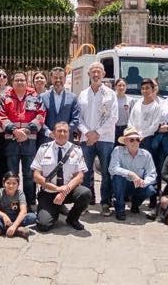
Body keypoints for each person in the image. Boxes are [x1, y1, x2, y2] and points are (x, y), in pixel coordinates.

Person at [0, 71, 47, 208]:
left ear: (27, 82)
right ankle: (12, 204)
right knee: (12, 174)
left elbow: (41, 115)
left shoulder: (35, 97)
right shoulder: (5, 97)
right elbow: (1, 116)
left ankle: (30, 203)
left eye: (22, 80)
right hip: (11, 141)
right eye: (17, 80)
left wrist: (26, 130)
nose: (19, 82)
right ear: (12, 83)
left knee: (29, 174)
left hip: (29, 141)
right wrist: (14, 130)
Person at [31, 122, 91, 232]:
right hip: (48, 192)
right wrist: (57, 189)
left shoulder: (76, 150)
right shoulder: (44, 148)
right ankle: (54, 210)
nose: (62, 133)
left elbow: (80, 176)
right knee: (43, 225)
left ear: (69, 133)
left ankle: (72, 219)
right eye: (59, 131)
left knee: (85, 193)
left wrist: (63, 192)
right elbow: (36, 176)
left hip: (68, 191)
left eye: (65, 131)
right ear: (53, 133)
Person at [76, 62, 117, 214]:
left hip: (105, 138)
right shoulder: (82, 94)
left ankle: (105, 202)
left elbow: (113, 117)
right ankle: (86, 201)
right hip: (86, 139)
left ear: (104, 74)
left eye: (98, 71)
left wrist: (97, 133)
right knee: (85, 171)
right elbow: (78, 117)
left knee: (106, 172)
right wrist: (87, 133)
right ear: (88, 75)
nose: (96, 74)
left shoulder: (110, 94)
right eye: (93, 71)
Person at [109, 127, 158, 221]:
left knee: (150, 189)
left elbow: (152, 174)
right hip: (122, 185)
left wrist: (144, 182)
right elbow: (112, 168)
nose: (135, 142)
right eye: (132, 140)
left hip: (137, 185)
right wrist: (131, 174)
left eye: (137, 139)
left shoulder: (146, 154)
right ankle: (120, 209)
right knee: (117, 178)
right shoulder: (118, 150)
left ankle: (135, 204)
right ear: (125, 142)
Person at [0, 171, 36, 239]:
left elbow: (23, 211)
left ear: (18, 185)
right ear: (3, 183)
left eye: (14, 183)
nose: (11, 186)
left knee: (32, 216)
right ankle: (18, 230)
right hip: (3, 219)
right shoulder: (0, 192)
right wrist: (4, 215)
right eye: (8, 183)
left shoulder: (20, 193)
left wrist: (14, 225)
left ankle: (3, 229)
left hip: (17, 218)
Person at [41, 66, 79, 146]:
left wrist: (63, 132)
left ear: (65, 79)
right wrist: (49, 133)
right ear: (51, 79)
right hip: (48, 139)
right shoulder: (43, 97)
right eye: (55, 77)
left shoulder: (73, 97)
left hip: (67, 140)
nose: (58, 80)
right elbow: (40, 119)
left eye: (61, 77)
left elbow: (76, 119)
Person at [128, 79, 164, 162]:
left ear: (153, 90)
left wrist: (141, 136)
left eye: (147, 88)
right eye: (143, 88)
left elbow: (154, 127)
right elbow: (131, 119)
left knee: (145, 163)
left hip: (147, 140)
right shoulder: (137, 103)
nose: (145, 90)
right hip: (133, 137)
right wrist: (133, 133)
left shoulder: (156, 107)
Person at [113, 78, 133, 143]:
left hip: (126, 128)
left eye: (123, 85)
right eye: (119, 85)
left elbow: (132, 116)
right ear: (115, 87)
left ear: (126, 87)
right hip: (114, 128)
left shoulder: (130, 100)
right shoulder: (112, 100)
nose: (121, 87)